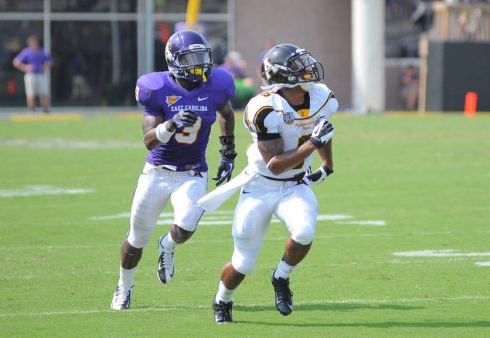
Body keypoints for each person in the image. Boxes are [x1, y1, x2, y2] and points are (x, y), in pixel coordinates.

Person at [207, 43, 337, 324]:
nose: (307, 71)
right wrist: (313, 144)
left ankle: (281, 277)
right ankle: (222, 300)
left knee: (304, 232)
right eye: (297, 67)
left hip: (295, 185)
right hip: (261, 185)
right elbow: (275, 164)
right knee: (243, 263)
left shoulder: (319, 96)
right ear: (281, 75)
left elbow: (323, 130)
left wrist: (327, 165)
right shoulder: (265, 107)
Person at [110, 29, 237, 310]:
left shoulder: (217, 84)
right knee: (137, 237)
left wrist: (227, 151)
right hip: (157, 170)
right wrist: (170, 124)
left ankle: (167, 244)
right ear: (173, 60)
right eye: (190, 58)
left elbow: (226, 113)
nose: (198, 64)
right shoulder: (156, 88)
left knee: (187, 224)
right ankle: (124, 286)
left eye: (201, 56)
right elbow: (148, 140)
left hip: (192, 171)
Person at [12, 35, 53, 113]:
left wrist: (45, 68)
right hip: (31, 75)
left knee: (43, 93)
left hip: (40, 75)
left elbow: (50, 61)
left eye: (34, 43)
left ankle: (45, 110)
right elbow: (15, 62)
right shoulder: (26, 52)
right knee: (30, 93)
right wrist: (24, 67)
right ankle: (32, 110)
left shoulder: (42, 51)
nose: (33, 44)